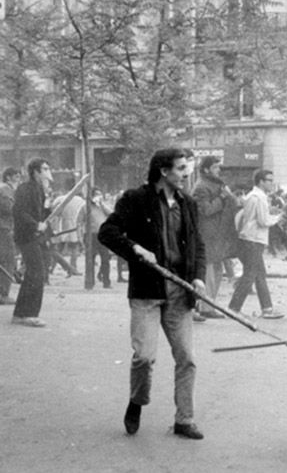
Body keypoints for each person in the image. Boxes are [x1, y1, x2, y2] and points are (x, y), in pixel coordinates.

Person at [98, 148, 206, 439]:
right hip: (147, 290)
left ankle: (184, 419)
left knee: (187, 358)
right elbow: (107, 232)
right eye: (182, 168)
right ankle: (137, 401)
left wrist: (198, 277)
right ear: (163, 171)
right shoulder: (136, 199)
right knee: (144, 357)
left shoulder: (189, 204)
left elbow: (198, 246)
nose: (187, 173)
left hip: (179, 291)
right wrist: (135, 249)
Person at [228, 169, 284, 319]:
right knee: (251, 275)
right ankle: (234, 308)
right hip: (254, 240)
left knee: (259, 275)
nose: (272, 183)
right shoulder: (259, 197)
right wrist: (278, 218)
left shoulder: (253, 196)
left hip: (249, 239)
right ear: (261, 181)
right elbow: (263, 221)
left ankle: (267, 308)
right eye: (269, 180)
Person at [192, 156, 238, 318]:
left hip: (220, 233)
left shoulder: (218, 185)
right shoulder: (201, 187)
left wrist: (229, 197)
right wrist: (222, 198)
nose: (219, 170)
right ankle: (205, 306)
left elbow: (234, 205)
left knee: (217, 271)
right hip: (208, 234)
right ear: (206, 169)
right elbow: (206, 210)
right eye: (215, 167)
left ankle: (206, 304)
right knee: (210, 272)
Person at [11, 159, 54, 327]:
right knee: (37, 273)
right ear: (35, 172)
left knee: (33, 274)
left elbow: (41, 212)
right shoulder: (25, 188)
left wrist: (49, 209)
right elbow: (19, 212)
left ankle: (21, 314)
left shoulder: (40, 190)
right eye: (44, 168)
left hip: (35, 236)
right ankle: (29, 314)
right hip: (26, 236)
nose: (47, 172)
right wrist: (35, 224)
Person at [77, 187, 113, 288]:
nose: (98, 197)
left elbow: (111, 214)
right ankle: (90, 282)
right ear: (91, 196)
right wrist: (80, 237)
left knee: (105, 259)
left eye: (100, 195)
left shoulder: (101, 206)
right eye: (96, 194)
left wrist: (102, 204)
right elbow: (79, 221)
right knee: (91, 260)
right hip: (91, 236)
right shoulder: (85, 207)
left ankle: (106, 282)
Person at [0, 167, 21, 304]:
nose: (19, 178)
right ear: (8, 177)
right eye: (16, 176)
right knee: (8, 260)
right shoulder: (6, 189)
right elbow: (9, 208)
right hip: (4, 228)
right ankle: (3, 293)